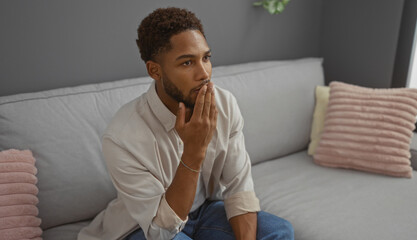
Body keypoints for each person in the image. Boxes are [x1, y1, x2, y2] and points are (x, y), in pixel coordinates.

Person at [78, 7, 294, 240]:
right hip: (144, 227)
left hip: (203, 212)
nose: (204, 74)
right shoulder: (122, 136)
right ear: (154, 70)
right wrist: (193, 150)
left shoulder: (224, 104)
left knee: (279, 231)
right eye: (187, 63)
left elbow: (238, 189)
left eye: (206, 58)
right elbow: (159, 230)